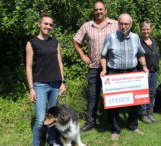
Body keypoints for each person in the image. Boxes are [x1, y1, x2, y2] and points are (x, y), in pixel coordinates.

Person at [100, 13, 149, 141]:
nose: (123, 26)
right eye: (121, 23)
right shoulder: (110, 37)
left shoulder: (135, 38)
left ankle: (133, 126)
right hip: (114, 73)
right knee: (114, 104)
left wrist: (144, 66)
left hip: (132, 73)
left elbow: (140, 54)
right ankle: (116, 130)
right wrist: (104, 69)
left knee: (134, 102)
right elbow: (103, 55)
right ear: (118, 23)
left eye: (126, 24)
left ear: (131, 25)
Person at [73, 1, 118, 132]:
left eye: (101, 9)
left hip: (112, 67)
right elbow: (76, 40)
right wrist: (82, 55)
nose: (99, 11)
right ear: (94, 11)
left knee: (112, 95)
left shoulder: (115, 24)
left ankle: (112, 120)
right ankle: (90, 122)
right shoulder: (87, 26)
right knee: (93, 96)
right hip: (94, 67)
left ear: (106, 10)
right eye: (96, 10)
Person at [26, 13, 66, 146]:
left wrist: (62, 82)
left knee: (52, 117)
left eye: (50, 25)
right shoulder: (32, 43)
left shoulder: (55, 42)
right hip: (40, 86)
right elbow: (28, 67)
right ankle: (36, 143)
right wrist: (31, 88)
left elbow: (60, 63)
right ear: (39, 24)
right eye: (45, 24)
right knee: (40, 119)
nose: (48, 27)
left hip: (55, 85)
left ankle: (53, 141)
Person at [138, 21, 160, 124]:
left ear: (150, 30)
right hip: (143, 72)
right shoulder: (138, 41)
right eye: (143, 29)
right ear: (140, 30)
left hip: (154, 71)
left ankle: (150, 112)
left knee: (152, 93)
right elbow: (138, 55)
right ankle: (143, 114)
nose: (146, 31)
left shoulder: (153, 41)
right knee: (143, 93)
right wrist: (144, 66)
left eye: (147, 29)